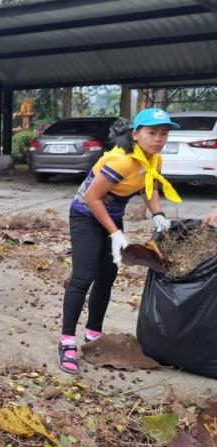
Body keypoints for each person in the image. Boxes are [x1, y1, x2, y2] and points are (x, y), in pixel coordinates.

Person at [58, 108, 182, 374]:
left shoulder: (154, 158)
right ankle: (67, 341)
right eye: (152, 132)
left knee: (107, 276)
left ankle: (94, 334)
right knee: (83, 276)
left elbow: (150, 187)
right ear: (136, 134)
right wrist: (115, 233)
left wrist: (157, 213)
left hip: (111, 217)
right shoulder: (121, 161)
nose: (158, 139)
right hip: (85, 216)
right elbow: (92, 199)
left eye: (164, 133)